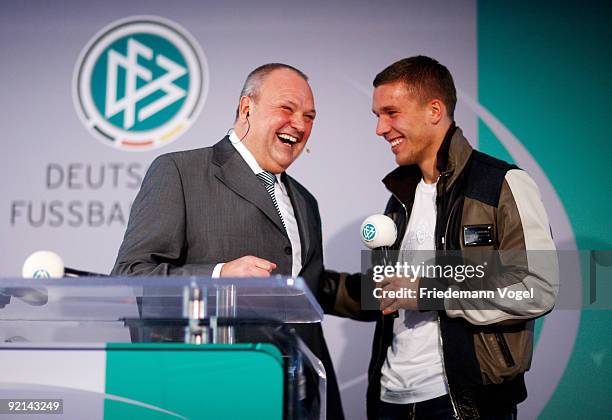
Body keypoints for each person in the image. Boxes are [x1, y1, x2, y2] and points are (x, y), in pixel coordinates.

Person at [327, 56, 557, 419]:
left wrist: (428, 290)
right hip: (389, 399)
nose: (379, 128)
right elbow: (387, 293)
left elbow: (535, 286)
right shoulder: (399, 198)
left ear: (434, 110)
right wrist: (312, 286)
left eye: (390, 113)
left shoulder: (501, 184)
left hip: (463, 402)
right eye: (377, 115)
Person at [111, 63, 345, 419]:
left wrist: (397, 289)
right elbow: (130, 277)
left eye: (309, 116)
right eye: (287, 108)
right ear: (246, 108)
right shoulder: (180, 172)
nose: (300, 124)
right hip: (207, 394)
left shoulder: (305, 201)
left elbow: (309, 291)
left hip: (295, 401)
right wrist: (220, 276)